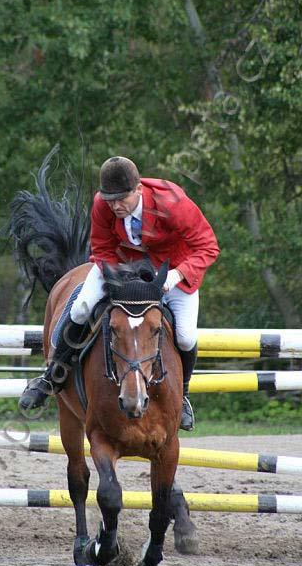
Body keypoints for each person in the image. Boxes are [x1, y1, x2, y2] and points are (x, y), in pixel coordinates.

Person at [19, 156, 220, 430]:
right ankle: (52, 377)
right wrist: (116, 278)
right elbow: (102, 247)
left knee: (185, 337)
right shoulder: (102, 203)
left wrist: (178, 274)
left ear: (139, 189)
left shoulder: (172, 203)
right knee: (81, 307)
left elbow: (208, 247)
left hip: (173, 270)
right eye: (110, 200)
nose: (115, 206)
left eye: (121, 199)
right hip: (122, 267)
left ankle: (182, 396)